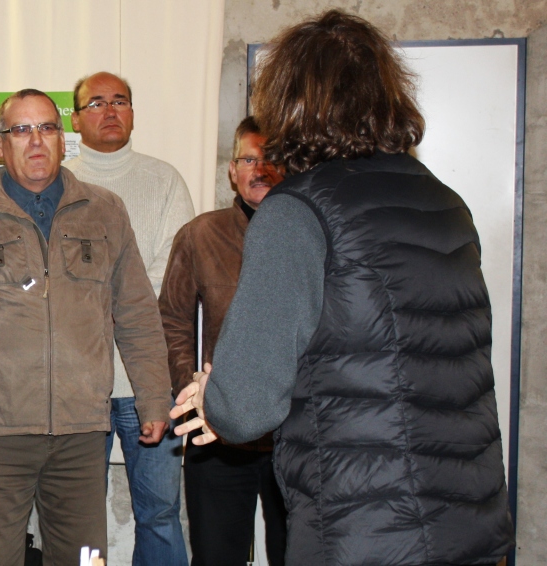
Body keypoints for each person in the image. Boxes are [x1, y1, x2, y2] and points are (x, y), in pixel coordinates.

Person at [171, 10, 513, 566]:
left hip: (365, 527)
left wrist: (216, 397)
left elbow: (245, 408)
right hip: (470, 520)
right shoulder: (446, 203)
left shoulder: (296, 212)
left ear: (290, 103)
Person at [0, 89, 173, 565]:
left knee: (85, 559)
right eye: (21, 130)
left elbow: (137, 312)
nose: (36, 140)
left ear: (63, 140)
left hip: (82, 430)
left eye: (47, 127)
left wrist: (154, 398)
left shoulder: (105, 211)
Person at [64, 71, 193, 566]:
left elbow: (173, 267)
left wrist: (113, 305)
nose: (110, 110)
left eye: (120, 101)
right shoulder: (59, 183)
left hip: (151, 380)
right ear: (76, 119)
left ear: (133, 113)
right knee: (77, 516)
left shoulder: (164, 180)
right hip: (78, 383)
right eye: (96, 103)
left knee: (160, 512)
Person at [159, 116, 287, 566]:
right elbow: (172, 318)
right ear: (232, 170)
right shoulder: (201, 234)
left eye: (271, 159)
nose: (260, 169)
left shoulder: (309, 234)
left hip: (291, 433)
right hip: (216, 431)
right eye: (248, 160)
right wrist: (192, 389)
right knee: (216, 557)